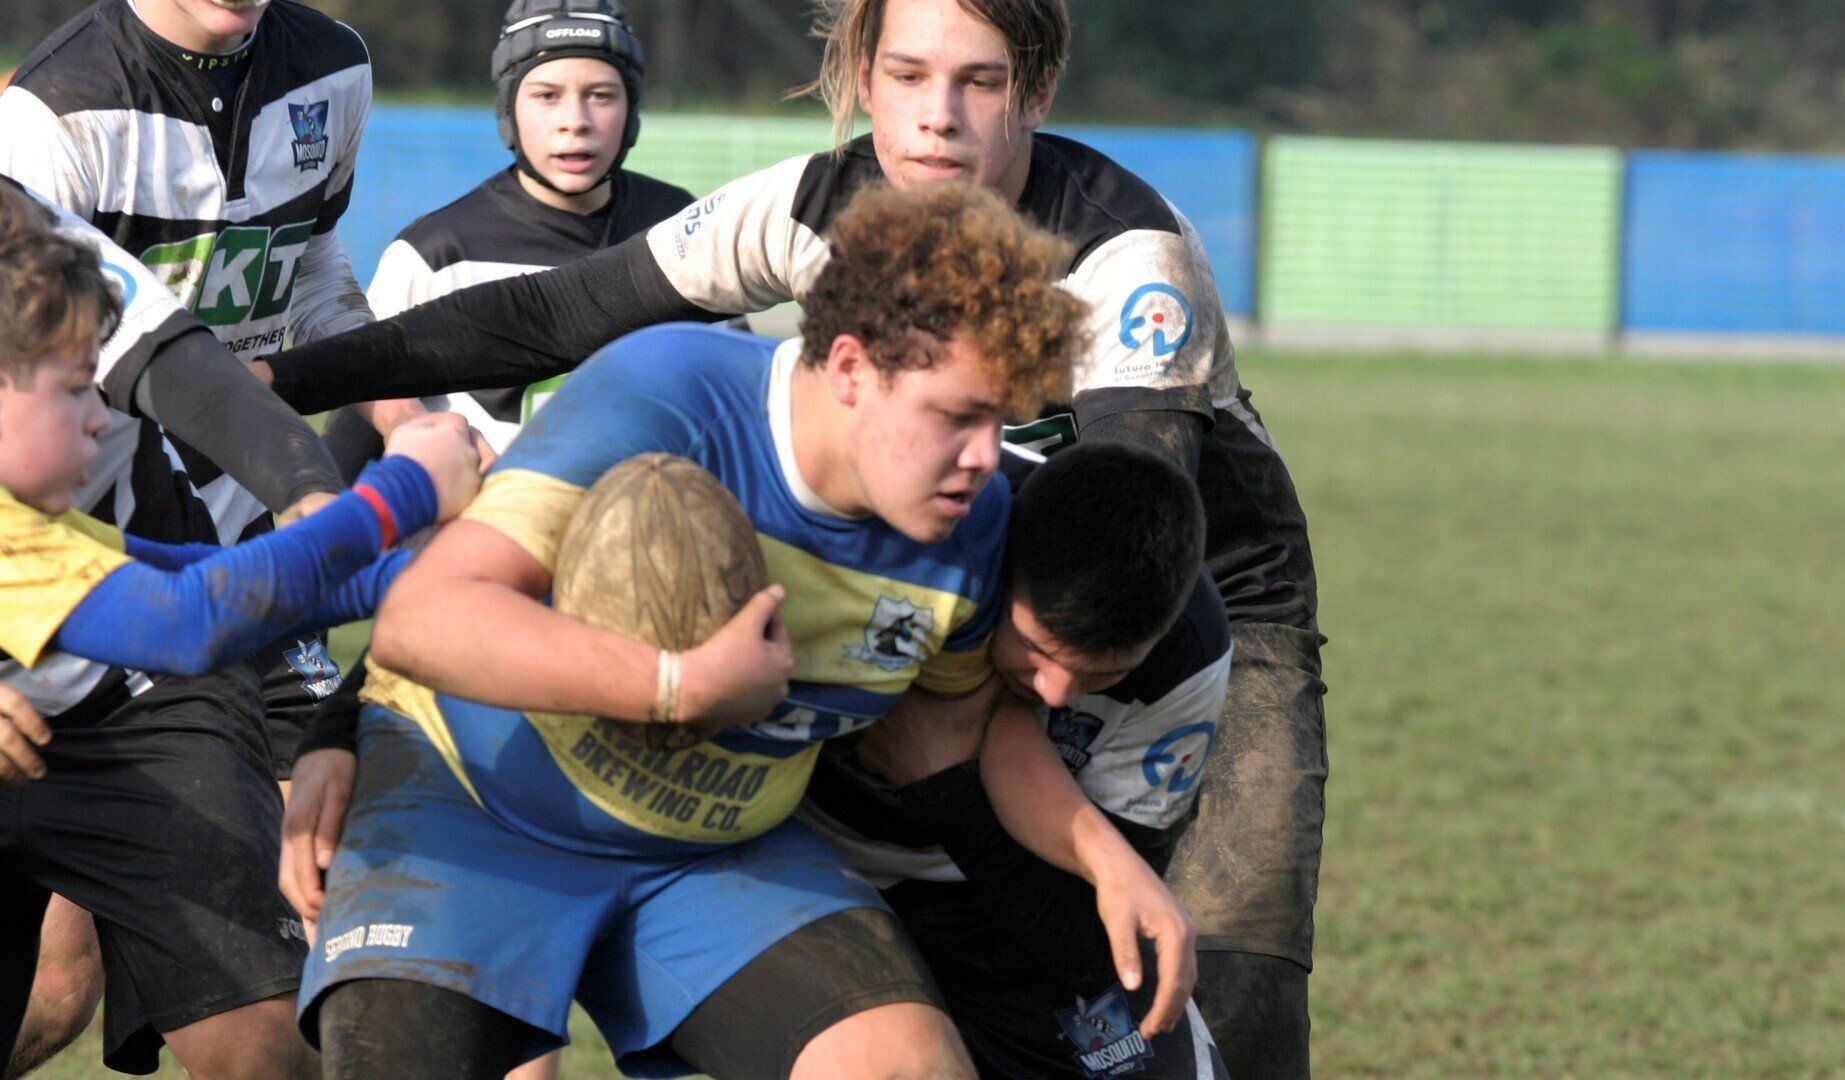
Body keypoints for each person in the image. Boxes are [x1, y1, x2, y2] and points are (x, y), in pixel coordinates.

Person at [251, 2, 1327, 1073]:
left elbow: (1121, 518)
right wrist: (268, 387)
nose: (937, 120)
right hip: (832, 624)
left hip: (1161, 602)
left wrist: (1105, 860)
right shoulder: (760, 286)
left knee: (1217, 983)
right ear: (862, 74)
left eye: (981, 83)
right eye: (908, 76)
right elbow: (548, 329)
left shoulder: (1122, 272)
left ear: (1037, 92)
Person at [287, 183, 1195, 1079]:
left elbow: (968, 729)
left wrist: (1105, 859)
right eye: (958, 416)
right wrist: (674, 688)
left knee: (908, 1068)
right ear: (849, 368)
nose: (986, 458)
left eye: (999, 421)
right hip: (477, 801)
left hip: (714, 853)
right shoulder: (670, 394)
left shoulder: (973, 524)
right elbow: (423, 617)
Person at [0, 184, 480, 1078]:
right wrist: (402, 491)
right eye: (77, 390)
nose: (108, 419)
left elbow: (197, 581)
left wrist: (454, 578)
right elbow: (194, 624)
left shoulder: (38, 525)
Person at [805, 440, 1234, 1078]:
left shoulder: (1188, 660)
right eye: (1037, 649)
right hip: (818, 870)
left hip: (1011, 906)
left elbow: (1086, 940)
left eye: (1104, 673)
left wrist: (943, 788)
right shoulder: (927, 522)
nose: (1056, 692)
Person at [321, 0, 695, 473]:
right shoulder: (435, 255)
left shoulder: (682, 226)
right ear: (508, 109)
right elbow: (350, 445)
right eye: (546, 95)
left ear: (632, 107)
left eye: (601, 94)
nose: (575, 119)